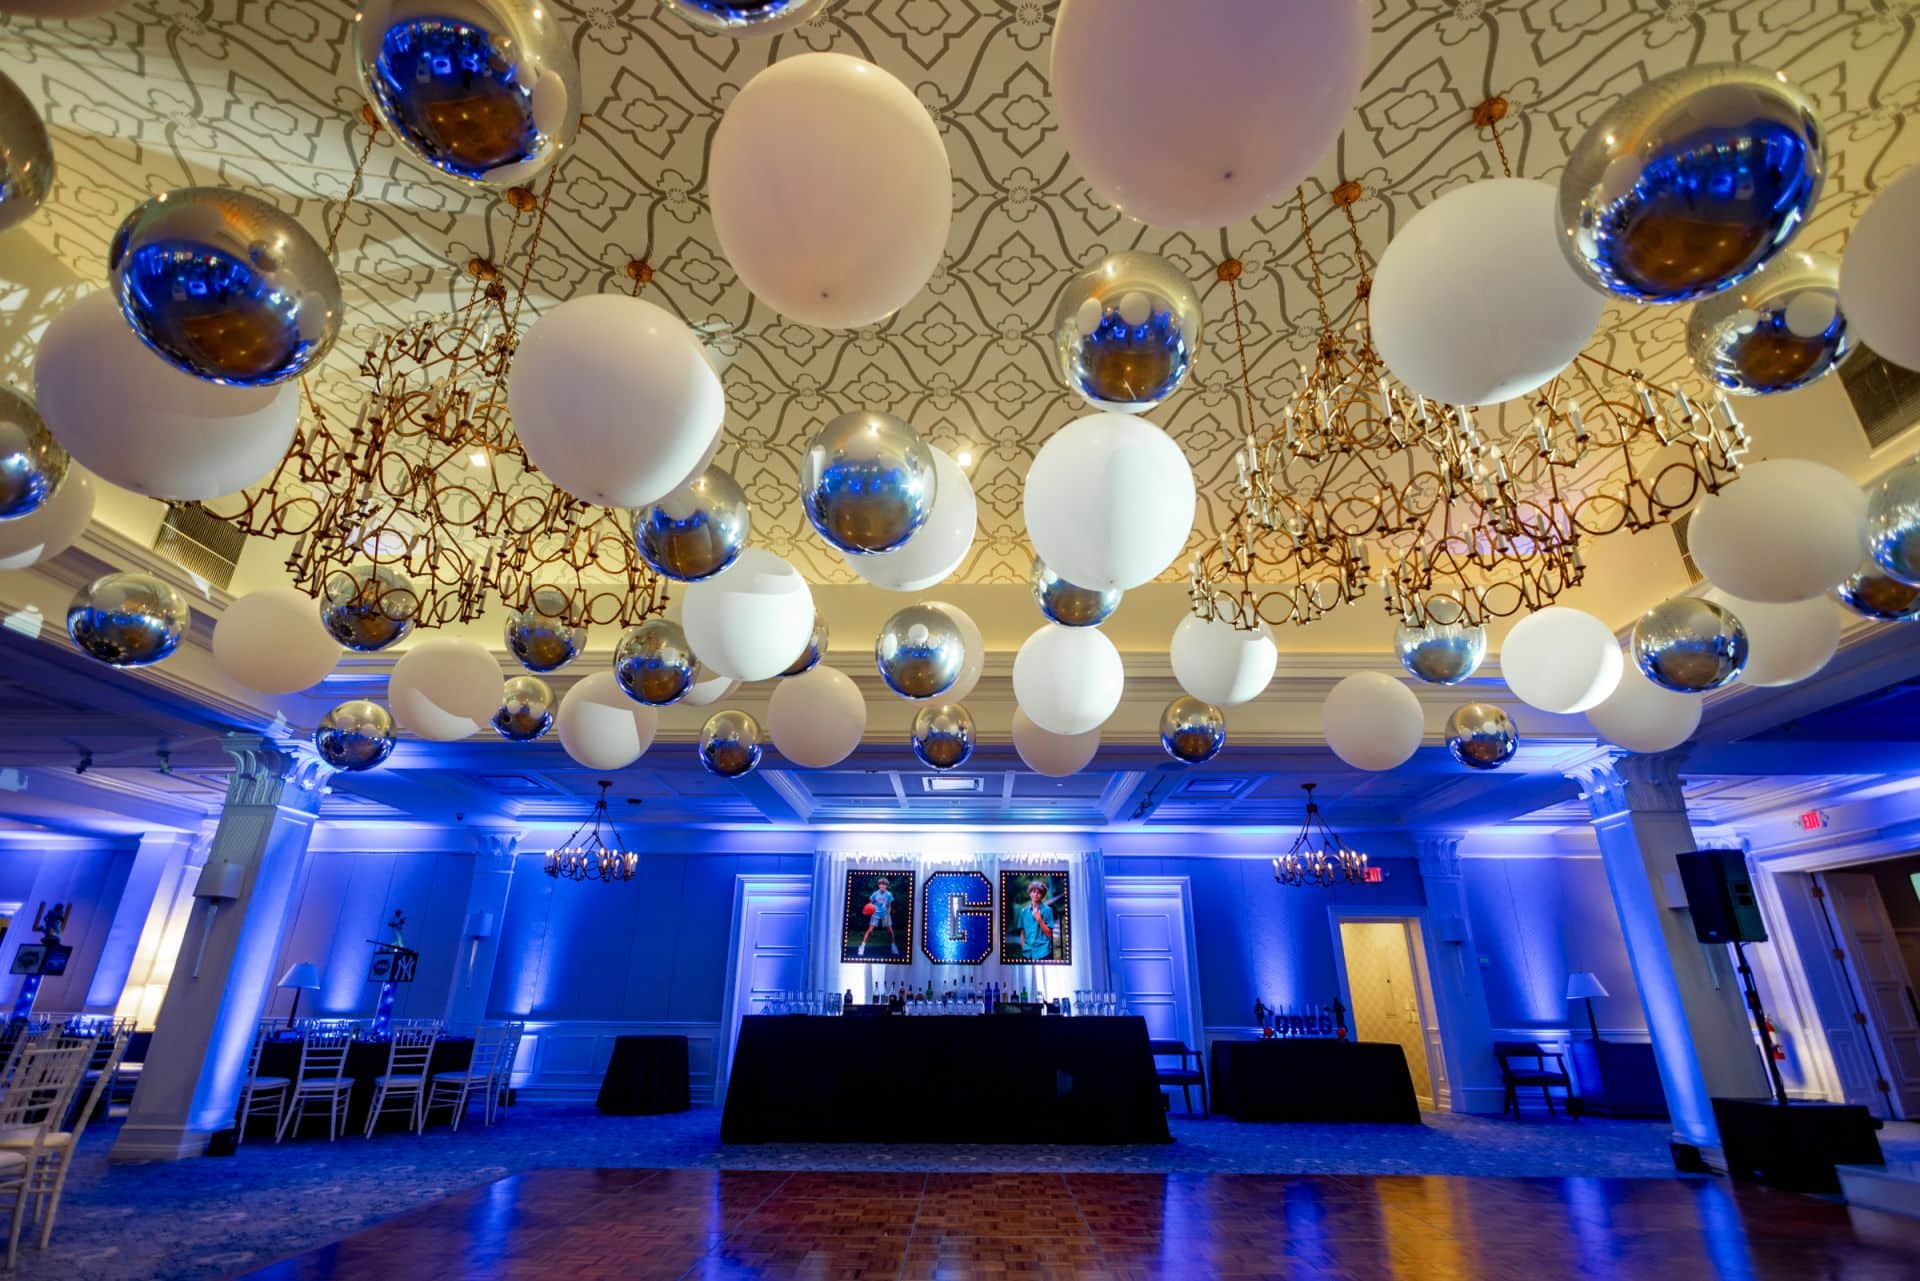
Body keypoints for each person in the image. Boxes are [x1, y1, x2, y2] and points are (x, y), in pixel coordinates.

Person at [1015, 878, 1057, 961]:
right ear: (1030, 893)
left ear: (1042, 895)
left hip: (1043, 952)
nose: (1036, 894)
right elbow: (1022, 932)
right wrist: (1023, 946)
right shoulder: (1024, 912)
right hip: (1028, 953)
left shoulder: (1047, 910)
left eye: (1039, 893)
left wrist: (1039, 919)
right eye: (1033, 892)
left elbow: (1049, 934)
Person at [857, 877, 897, 956]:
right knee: (870, 930)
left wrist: (887, 917)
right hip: (876, 913)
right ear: (878, 885)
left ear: (886, 886)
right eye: (881, 885)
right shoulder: (875, 894)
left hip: (885, 914)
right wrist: (866, 911)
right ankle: (862, 947)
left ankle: (893, 946)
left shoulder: (889, 894)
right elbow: (870, 904)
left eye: (884, 885)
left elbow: (889, 906)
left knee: (890, 930)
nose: (882, 886)